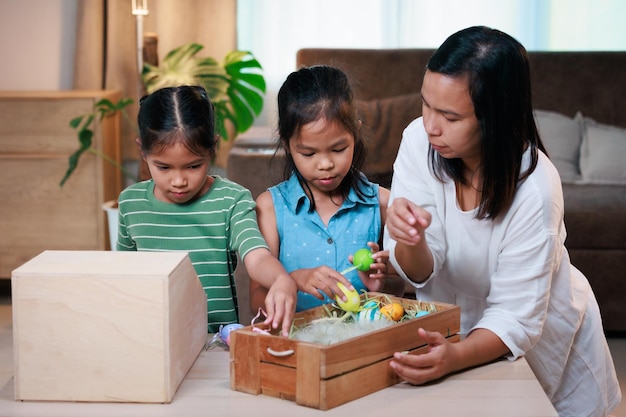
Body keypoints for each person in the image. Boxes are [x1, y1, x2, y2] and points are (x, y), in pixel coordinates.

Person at [384, 26, 621, 417]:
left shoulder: (537, 188)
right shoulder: (418, 142)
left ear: (495, 118)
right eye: (426, 104)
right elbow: (422, 270)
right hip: (455, 329)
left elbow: (514, 316)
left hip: (534, 335)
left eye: (450, 116)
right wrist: (409, 238)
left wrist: (454, 357)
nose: (430, 125)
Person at [116, 85, 296, 336]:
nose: (179, 180)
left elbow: (257, 257)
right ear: (143, 151)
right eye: (164, 167)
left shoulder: (231, 200)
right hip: (152, 335)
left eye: (193, 166)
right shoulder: (130, 203)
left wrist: (280, 279)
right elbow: (123, 272)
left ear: (213, 147)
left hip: (215, 342)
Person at [250, 65, 405, 313]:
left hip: (362, 345)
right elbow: (257, 300)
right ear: (287, 144)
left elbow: (399, 294)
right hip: (297, 347)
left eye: (338, 149)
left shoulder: (383, 203)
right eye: (308, 153)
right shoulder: (269, 208)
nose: (326, 165)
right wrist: (292, 281)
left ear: (356, 131)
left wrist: (381, 283)